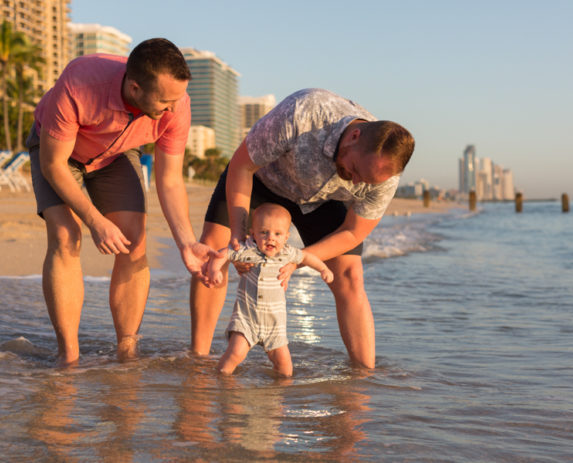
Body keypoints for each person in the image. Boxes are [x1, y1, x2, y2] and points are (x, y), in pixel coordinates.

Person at [190, 88, 415, 369]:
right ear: (354, 136)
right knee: (215, 246)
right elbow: (241, 166)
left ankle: (363, 377)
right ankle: (198, 359)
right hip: (262, 181)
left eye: (367, 182)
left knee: (350, 274)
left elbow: (353, 232)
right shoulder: (304, 113)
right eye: (356, 169)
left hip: (322, 201)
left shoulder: (382, 176)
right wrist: (238, 233)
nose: (357, 183)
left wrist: (298, 259)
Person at [26, 38, 217, 366]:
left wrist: (186, 242)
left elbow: (169, 180)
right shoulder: (81, 83)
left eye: (177, 99)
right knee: (65, 235)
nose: (172, 109)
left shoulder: (176, 105)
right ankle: (68, 355)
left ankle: (127, 350)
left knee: (134, 241)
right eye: (164, 101)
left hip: (116, 154)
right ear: (134, 87)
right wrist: (95, 220)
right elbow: (52, 165)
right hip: (59, 156)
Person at [208, 203, 333, 376]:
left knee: (285, 367)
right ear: (253, 233)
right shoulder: (247, 250)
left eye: (277, 234)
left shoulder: (288, 253)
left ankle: (278, 398)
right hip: (247, 320)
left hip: (275, 326)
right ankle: (220, 382)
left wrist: (323, 269)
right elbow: (223, 254)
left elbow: (306, 257)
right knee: (235, 354)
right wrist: (215, 270)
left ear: (287, 237)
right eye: (264, 232)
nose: (270, 238)